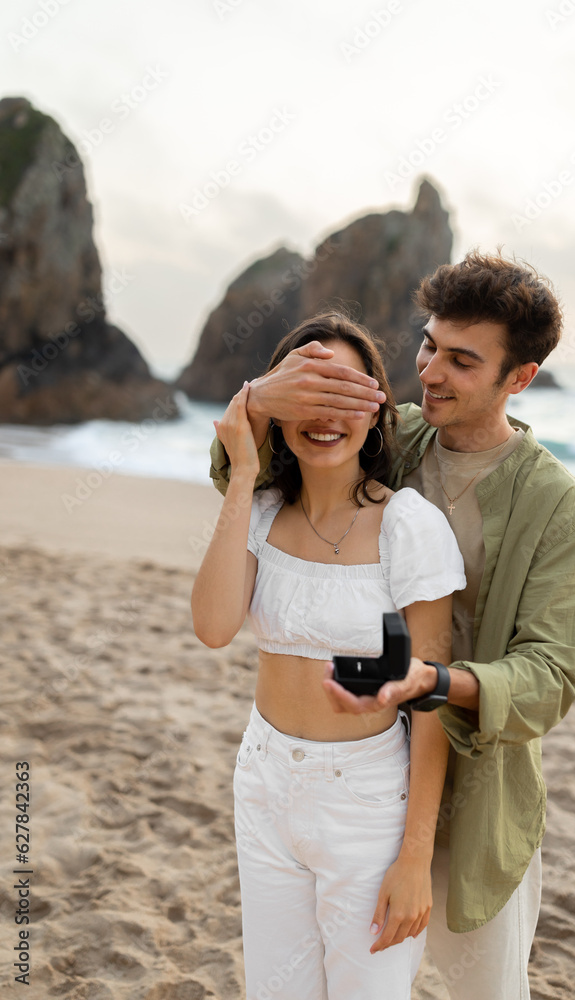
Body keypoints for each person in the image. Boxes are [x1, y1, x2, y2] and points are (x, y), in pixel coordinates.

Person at [207, 250, 575, 1000]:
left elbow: (554, 675)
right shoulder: (396, 437)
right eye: (427, 345)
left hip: (476, 794)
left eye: (461, 360)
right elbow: (251, 479)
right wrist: (260, 399)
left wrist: (434, 680)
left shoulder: (560, 509)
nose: (428, 373)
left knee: (484, 989)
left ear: (518, 378)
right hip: (363, 776)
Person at [192, 313, 466, 1000]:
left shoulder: (408, 526)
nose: (325, 414)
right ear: (280, 412)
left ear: (374, 409)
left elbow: (429, 700)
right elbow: (214, 625)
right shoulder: (256, 512)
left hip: (367, 803)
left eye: (345, 394)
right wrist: (242, 467)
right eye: (307, 395)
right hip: (263, 785)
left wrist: (413, 856)